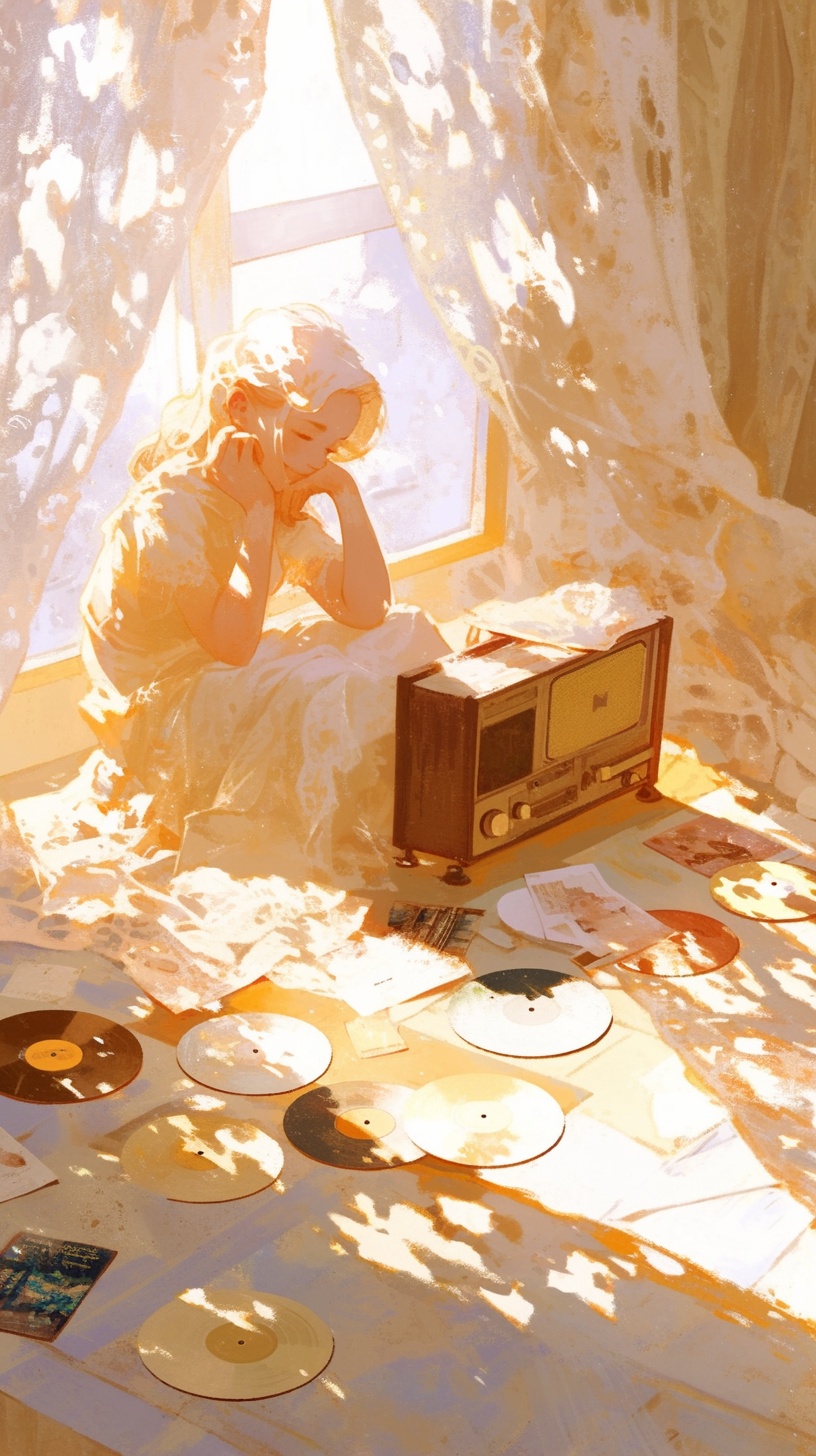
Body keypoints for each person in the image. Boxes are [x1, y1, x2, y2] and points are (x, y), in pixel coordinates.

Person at [78, 305, 448, 885]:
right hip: (164, 698)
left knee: (407, 630)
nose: (311, 459)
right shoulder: (170, 507)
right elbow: (231, 646)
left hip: (227, 662)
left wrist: (344, 493)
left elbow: (366, 608)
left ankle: (412, 806)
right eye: (304, 435)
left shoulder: (279, 487)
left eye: (329, 448)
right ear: (240, 408)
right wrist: (255, 512)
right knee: (330, 684)